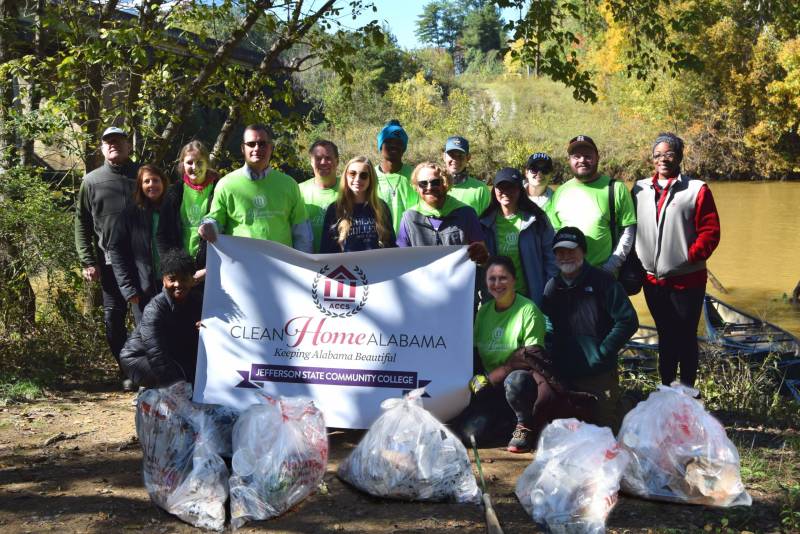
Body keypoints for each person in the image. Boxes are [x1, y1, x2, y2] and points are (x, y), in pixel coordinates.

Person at [453, 256, 593, 453]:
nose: (497, 284)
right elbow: (475, 352)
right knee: (470, 436)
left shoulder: (528, 310)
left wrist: (491, 377)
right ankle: (504, 421)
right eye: (492, 279)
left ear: (514, 281)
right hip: (491, 388)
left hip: (520, 384)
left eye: (503, 278)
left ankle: (523, 425)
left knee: (515, 381)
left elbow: (530, 358)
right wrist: (473, 382)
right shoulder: (483, 312)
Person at [632, 133, 721, 387]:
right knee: (666, 336)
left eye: (669, 153)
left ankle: (687, 392)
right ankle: (667, 389)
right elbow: (630, 228)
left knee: (686, 337)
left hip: (687, 281)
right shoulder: (639, 189)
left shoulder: (696, 189)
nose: (663, 159)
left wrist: (688, 257)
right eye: (658, 154)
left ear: (679, 156)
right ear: (652, 159)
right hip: (652, 281)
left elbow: (710, 232)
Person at [542, 227, 639, 432]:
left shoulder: (604, 282)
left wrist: (603, 352)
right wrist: (552, 353)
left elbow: (627, 320)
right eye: (560, 252)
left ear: (583, 252)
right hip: (565, 373)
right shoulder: (552, 286)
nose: (566, 257)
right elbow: (547, 323)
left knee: (605, 432)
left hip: (598, 372)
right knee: (565, 430)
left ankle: (629, 404)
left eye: (571, 251)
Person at [74, 126, 139, 391]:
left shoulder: (144, 174)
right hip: (110, 264)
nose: (113, 145)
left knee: (146, 319)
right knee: (113, 320)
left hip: (144, 263)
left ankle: (146, 370)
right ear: (101, 148)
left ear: (128, 146)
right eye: (108, 142)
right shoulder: (91, 181)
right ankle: (127, 370)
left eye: (119, 141)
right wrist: (88, 260)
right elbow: (81, 222)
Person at [198, 124, 311, 251]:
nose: (257, 148)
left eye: (262, 144)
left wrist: (304, 264)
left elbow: (302, 233)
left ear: (271, 148)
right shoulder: (227, 184)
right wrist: (208, 225)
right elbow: (216, 220)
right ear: (242, 148)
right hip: (242, 264)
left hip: (281, 266)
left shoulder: (289, 184)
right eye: (251, 144)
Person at [546, 135, 637, 273]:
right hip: (568, 275)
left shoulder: (616, 188)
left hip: (605, 276)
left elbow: (627, 231)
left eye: (588, 156)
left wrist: (610, 266)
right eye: (576, 156)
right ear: (569, 160)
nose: (582, 160)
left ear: (597, 157)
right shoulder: (560, 192)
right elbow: (554, 233)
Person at [119, 249, 204, 389]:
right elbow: (155, 353)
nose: (178, 284)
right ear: (164, 280)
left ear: (192, 279)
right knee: (182, 378)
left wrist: (209, 329)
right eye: (172, 279)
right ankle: (147, 389)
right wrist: (175, 385)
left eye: (183, 279)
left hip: (172, 356)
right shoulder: (154, 309)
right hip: (139, 358)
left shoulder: (199, 301)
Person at [479, 167, 557, 307]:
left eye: (511, 187)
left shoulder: (537, 219)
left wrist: (548, 292)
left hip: (531, 298)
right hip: (496, 299)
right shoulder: (484, 223)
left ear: (520, 190)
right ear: (494, 190)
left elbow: (551, 258)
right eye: (501, 188)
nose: (506, 192)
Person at [108, 164, 168, 325]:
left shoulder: (173, 209)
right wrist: (128, 288)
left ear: (163, 183)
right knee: (147, 335)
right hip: (143, 289)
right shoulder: (130, 215)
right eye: (146, 181)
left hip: (172, 285)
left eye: (155, 180)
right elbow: (116, 249)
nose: (151, 185)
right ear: (140, 186)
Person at [396, 162, 489, 263]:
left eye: (435, 182)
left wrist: (481, 254)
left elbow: (481, 257)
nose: (429, 187)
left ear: (445, 183)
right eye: (423, 183)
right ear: (417, 188)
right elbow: (402, 259)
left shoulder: (466, 213)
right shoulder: (409, 218)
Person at [157, 140, 218, 282]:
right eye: (189, 162)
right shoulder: (174, 192)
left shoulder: (219, 190)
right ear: (182, 165)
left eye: (199, 162)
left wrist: (211, 268)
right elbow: (162, 235)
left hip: (210, 269)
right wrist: (171, 267)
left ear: (207, 163)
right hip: (180, 271)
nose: (194, 167)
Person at [320, 157, 395, 253]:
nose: (357, 179)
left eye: (363, 175)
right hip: (346, 267)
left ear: (370, 179)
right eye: (352, 173)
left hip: (377, 266)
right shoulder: (335, 209)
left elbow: (391, 246)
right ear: (346, 176)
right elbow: (326, 250)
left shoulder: (381, 207)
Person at [375, 120, 419, 234]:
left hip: (409, 242)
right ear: (380, 145)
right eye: (388, 141)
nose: (394, 145)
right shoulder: (369, 176)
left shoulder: (416, 175)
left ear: (404, 148)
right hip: (378, 243)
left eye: (399, 142)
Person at [299, 140, 340, 252]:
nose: (323, 162)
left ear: (337, 161)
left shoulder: (349, 189)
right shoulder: (298, 191)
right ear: (311, 162)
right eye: (318, 158)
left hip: (344, 262)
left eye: (328, 158)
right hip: (310, 262)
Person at [441, 136, 491, 215]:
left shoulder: (481, 190)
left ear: (468, 158)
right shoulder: (433, 186)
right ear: (444, 157)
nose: (455, 160)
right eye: (452, 155)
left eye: (460, 156)